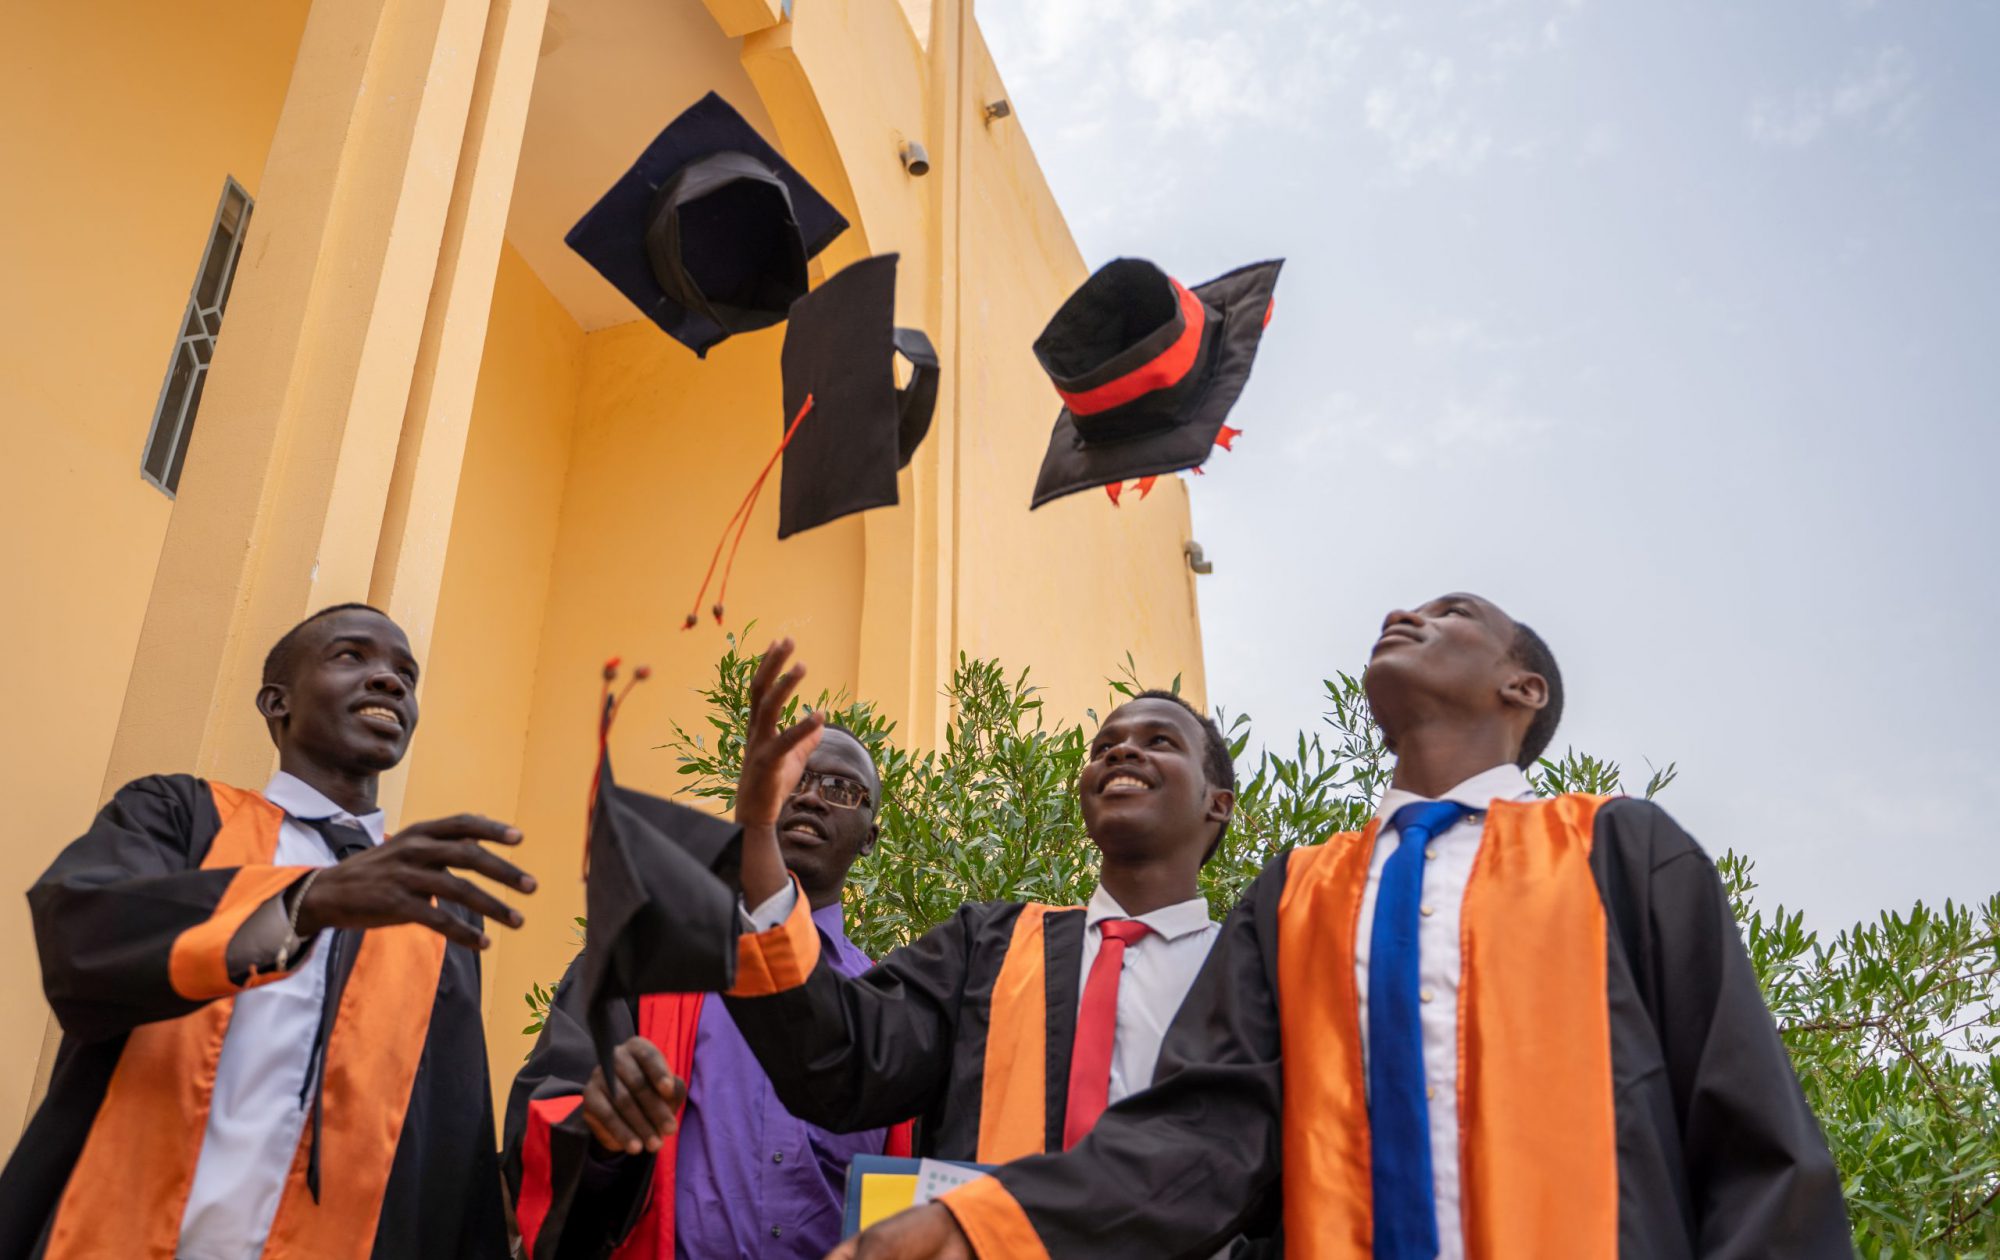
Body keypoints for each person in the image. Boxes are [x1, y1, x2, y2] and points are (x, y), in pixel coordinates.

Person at [833, 593, 1854, 1260]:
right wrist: (984, 1226)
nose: (1400, 611)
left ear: (1521, 689)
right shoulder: (1297, 893)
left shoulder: (1619, 851)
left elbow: (1754, 1146)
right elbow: (1204, 1136)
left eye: (1449, 612)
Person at [0, 603, 535, 1260]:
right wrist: (302, 899)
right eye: (351, 656)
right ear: (276, 702)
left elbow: (450, 1134)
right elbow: (82, 939)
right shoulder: (178, 815)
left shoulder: (428, 897)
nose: (391, 682)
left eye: (406, 673)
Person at [680, 638, 1235, 1171]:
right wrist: (756, 832)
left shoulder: (1254, 975)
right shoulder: (987, 950)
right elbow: (835, 1058)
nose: (1121, 750)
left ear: (1218, 803)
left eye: (1160, 740)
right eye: (1102, 747)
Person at [504, 721, 914, 1259]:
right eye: (794, 780)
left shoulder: (889, 1011)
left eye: (840, 789)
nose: (811, 797)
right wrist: (599, 1134)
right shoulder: (642, 962)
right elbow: (538, 1136)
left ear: (869, 839)